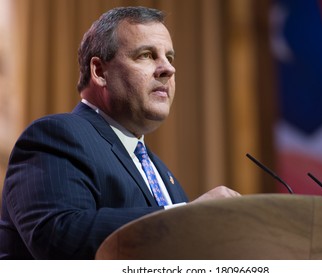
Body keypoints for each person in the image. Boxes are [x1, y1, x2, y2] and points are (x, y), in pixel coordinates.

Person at [0, 6, 240, 260]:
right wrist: (187, 218)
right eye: (147, 55)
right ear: (100, 72)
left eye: (169, 57)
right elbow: (59, 235)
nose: (168, 69)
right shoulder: (57, 136)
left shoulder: (163, 176)